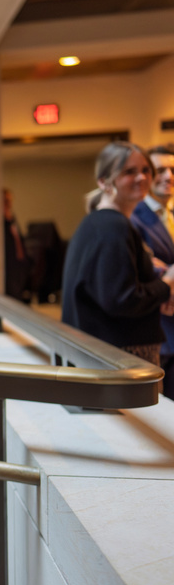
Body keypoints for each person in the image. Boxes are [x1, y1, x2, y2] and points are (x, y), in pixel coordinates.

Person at [62, 141, 174, 366]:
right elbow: (121, 300)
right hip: (124, 357)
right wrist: (166, 285)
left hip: (113, 353)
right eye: (129, 172)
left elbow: (110, 290)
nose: (142, 178)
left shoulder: (102, 222)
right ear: (104, 181)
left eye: (145, 170)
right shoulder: (112, 226)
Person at [130, 144, 174, 398]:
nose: (168, 176)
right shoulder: (133, 218)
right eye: (160, 170)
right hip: (162, 335)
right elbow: (144, 271)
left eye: (172, 169)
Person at [2, 188, 32, 303]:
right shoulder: (0, 222)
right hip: (8, 268)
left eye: (10, 201)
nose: (9, 204)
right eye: (6, 201)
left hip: (19, 266)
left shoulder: (12, 219)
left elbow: (19, 240)